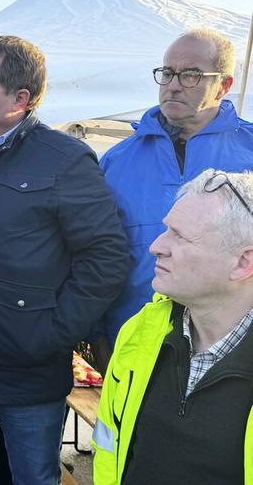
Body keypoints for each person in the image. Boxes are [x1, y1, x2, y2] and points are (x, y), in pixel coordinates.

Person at [0, 35, 128, 484]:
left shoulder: (64, 159)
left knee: (33, 478)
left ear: (20, 99)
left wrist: (52, 332)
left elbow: (105, 257)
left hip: (27, 374)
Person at [93, 169, 253, 484]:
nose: (156, 246)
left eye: (180, 236)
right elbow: (109, 448)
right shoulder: (141, 331)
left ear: (243, 264)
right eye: (166, 229)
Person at [98, 29, 253, 351]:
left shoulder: (249, 150)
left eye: (191, 75)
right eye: (167, 73)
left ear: (224, 85)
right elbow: (95, 251)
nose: (173, 85)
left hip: (234, 344)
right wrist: (94, 330)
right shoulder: (117, 160)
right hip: (133, 337)